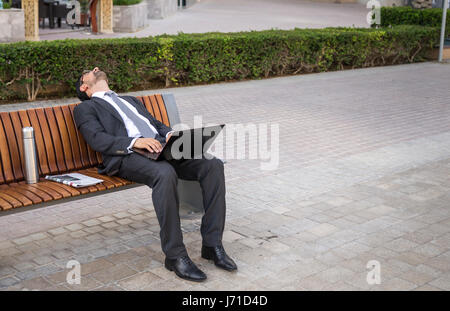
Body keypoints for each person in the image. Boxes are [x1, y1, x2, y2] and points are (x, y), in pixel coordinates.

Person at [73, 67, 237, 282]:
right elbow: (97, 139)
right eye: (88, 71)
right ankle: (175, 255)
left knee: (212, 165)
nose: (95, 68)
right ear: (84, 87)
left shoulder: (130, 100)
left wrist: (170, 134)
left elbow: (155, 124)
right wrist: (134, 142)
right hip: (127, 156)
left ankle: (212, 244)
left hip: (161, 150)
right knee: (165, 173)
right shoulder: (86, 108)